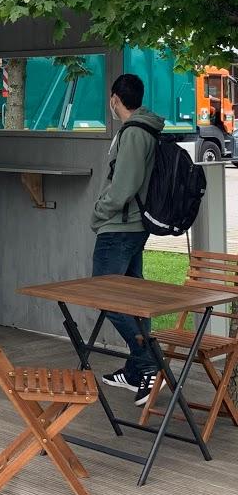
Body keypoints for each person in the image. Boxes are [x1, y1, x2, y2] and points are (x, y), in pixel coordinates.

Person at [93, 73, 165, 406]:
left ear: (115, 99)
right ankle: (137, 370)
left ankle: (148, 361)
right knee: (134, 297)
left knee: (105, 296)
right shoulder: (143, 129)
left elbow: (123, 187)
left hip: (121, 227)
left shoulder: (134, 133)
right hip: (132, 227)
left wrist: (99, 211)